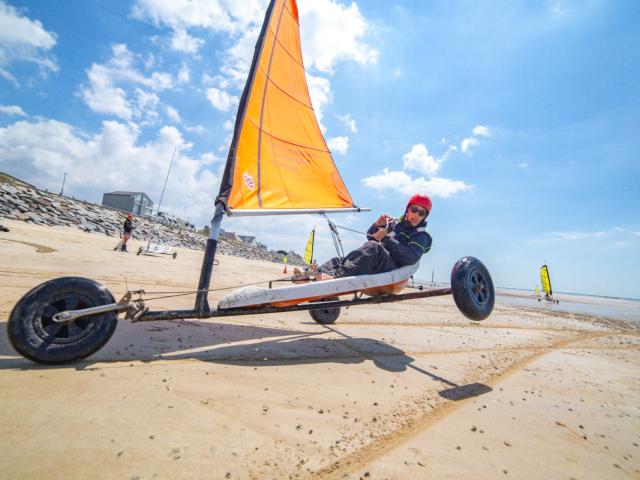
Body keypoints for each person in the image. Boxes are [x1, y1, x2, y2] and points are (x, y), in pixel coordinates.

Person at [294, 194, 432, 281]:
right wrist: (377, 225)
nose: (416, 215)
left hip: (393, 269)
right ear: (407, 210)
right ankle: (313, 276)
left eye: (422, 213)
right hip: (378, 260)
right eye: (414, 209)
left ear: (424, 217)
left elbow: (410, 257)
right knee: (341, 259)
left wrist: (385, 239)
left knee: (373, 247)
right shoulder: (394, 224)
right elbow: (371, 236)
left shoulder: (421, 236)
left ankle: (333, 278)